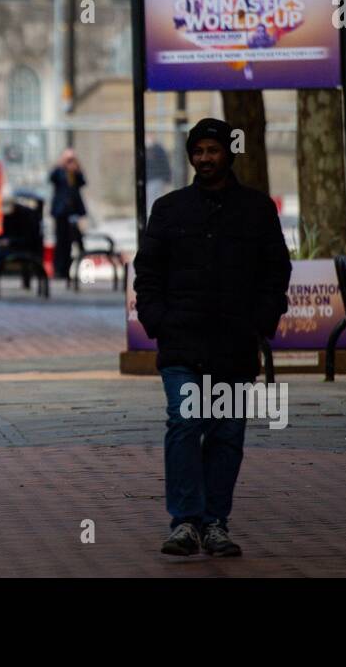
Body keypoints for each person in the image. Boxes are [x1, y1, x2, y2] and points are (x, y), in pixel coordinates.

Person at [133, 118, 291, 559]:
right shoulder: (168, 209)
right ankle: (185, 521)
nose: (205, 159)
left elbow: (275, 271)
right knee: (185, 425)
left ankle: (215, 522)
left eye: (213, 150)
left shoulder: (257, 210)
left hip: (234, 345)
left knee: (226, 435)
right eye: (198, 151)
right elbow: (147, 273)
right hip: (181, 342)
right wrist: (157, 320)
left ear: (229, 154)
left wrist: (261, 323)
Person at [48, 148, 87, 282]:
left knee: (74, 241)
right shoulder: (59, 171)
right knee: (61, 241)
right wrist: (62, 164)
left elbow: (82, 182)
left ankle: (70, 269)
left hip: (73, 212)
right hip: (61, 212)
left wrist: (76, 168)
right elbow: (52, 178)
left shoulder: (75, 172)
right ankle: (59, 269)